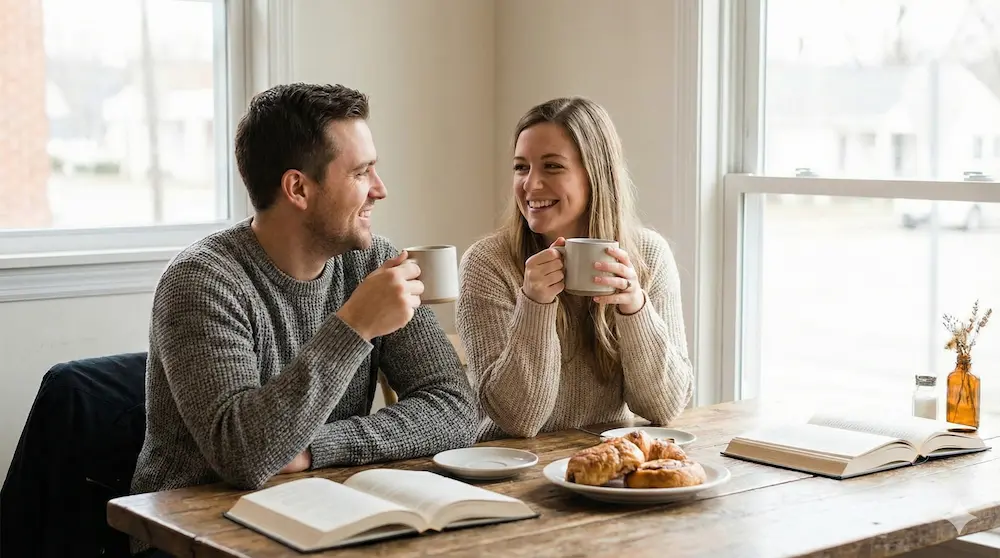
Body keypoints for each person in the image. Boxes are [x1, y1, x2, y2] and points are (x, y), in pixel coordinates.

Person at [130, 82, 477, 555]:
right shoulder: (201, 281)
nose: (381, 189)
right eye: (361, 173)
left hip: (324, 517)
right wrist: (354, 326)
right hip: (193, 533)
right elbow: (243, 454)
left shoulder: (371, 262)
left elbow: (456, 406)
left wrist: (317, 449)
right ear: (298, 188)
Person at [456, 97, 693, 441]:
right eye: (521, 167)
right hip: (514, 469)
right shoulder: (488, 263)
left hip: (607, 466)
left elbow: (664, 407)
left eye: (552, 166)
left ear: (595, 174)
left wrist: (634, 308)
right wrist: (535, 304)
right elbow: (517, 420)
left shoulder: (648, 256)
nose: (531, 184)